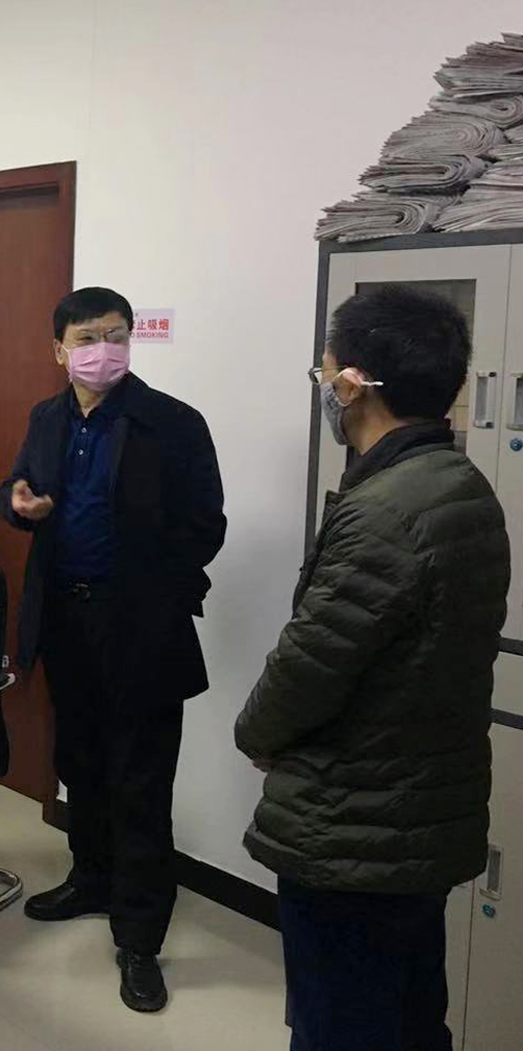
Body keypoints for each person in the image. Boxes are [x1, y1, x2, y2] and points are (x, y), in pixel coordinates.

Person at [236, 286, 507, 1051]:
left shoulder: (387, 509)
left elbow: (309, 665)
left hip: (353, 828)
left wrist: (256, 734)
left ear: (353, 384)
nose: (325, 386)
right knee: (409, 1016)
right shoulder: (460, 485)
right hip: (416, 811)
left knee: (340, 1025)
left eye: (326, 372)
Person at [0, 286, 225, 1013]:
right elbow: (16, 485)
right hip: (66, 620)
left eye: (117, 335)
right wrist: (18, 505)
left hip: (140, 630)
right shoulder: (48, 417)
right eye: (89, 338)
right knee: (81, 765)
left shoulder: (172, 422)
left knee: (141, 782)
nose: (106, 350)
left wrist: (155, 592)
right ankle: (90, 880)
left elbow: (206, 526)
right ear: (59, 351)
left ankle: (140, 938)